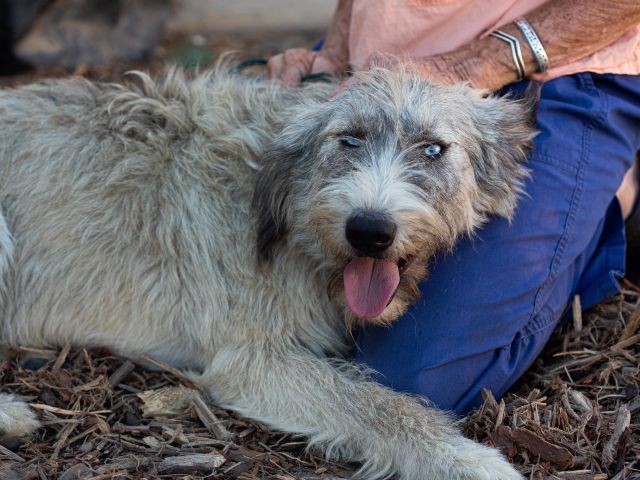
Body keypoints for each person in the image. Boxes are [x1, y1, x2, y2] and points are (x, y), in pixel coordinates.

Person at [268, 0, 640, 414]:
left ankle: (610, 202)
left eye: (431, 152)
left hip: (558, 58)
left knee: (415, 383)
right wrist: (339, 46)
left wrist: (475, 62)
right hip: (377, 67)